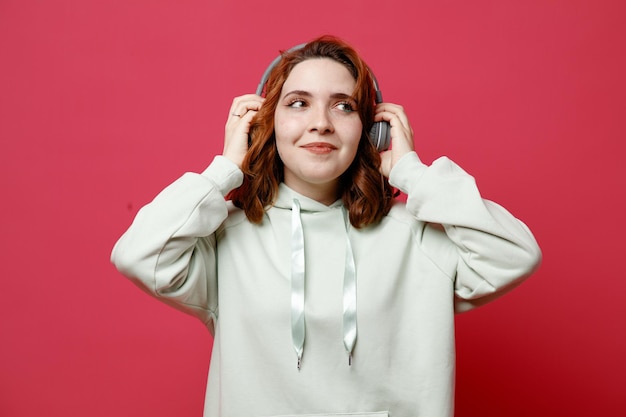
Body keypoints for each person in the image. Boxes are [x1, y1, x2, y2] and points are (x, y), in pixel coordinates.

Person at [111, 35, 541, 417]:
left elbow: (515, 254)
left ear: (371, 131)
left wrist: (414, 173)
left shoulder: (416, 236)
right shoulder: (226, 239)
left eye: (343, 105)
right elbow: (138, 254)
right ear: (265, 124)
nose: (321, 122)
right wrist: (224, 171)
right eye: (298, 103)